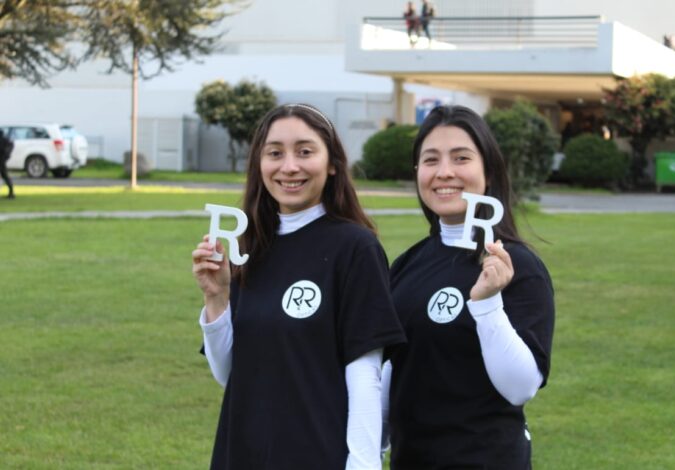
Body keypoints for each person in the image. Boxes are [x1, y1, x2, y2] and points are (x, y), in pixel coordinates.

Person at [192, 103, 406, 469]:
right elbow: (230, 374)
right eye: (275, 153)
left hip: (316, 454)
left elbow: (365, 375)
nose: (289, 166)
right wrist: (217, 298)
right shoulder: (252, 246)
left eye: (305, 152)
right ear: (260, 165)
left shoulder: (355, 248)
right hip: (241, 453)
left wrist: (362, 464)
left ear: (333, 163)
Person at [383, 105, 555, 469]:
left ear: (487, 171)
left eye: (461, 158)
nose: (444, 172)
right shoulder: (407, 265)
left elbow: (521, 387)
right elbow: (392, 368)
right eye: (430, 160)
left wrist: (488, 304)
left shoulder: (519, 267)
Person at [0, 129, 15, 199]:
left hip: (1, 160)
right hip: (2, 160)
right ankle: (11, 192)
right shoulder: (5, 139)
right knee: (5, 176)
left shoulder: (3, 140)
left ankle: (11, 193)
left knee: (5, 176)